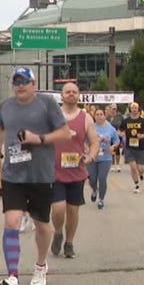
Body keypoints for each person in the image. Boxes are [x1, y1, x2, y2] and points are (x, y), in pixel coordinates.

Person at [0, 67, 70, 285]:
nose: (20, 86)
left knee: (43, 226)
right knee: (12, 221)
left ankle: (41, 264)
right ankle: (13, 277)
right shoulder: (6, 106)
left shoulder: (46, 104)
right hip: (13, 174)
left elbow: (65, 133)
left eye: (25, 81)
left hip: (40, 175)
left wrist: (40, 139)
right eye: (16, 82)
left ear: (33, 83)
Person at [50, 83, 99, 259]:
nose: (71, 94)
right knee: (58, 208)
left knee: (73, 210)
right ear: (61, 96)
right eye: (67, 92)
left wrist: (91, 157)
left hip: (76, 170)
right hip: (55, 170)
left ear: (79, 95)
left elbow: (94, 141)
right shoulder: (53, 116)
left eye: (74, 92)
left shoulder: (86, 118)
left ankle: (69, 242)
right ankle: (57, 231)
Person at [88, 108, 119, 209]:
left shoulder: (110, 128)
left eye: (101, 114)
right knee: (92, 179)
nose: (99, 116)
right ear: (94, 116)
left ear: (105, 116)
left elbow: (117, 141)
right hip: (93, 157)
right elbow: (84, 141)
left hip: (105, 157)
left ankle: (101, 199)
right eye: (97, 114)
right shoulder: (91, 127)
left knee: (102, 178)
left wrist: (112, 146)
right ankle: (94, 190)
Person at [119, 102, 144, 194]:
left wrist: (142, 136)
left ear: (138, 109)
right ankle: (136, 184)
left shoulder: (143, 121)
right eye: (132, 108)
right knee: (133, 167)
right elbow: (119, 131)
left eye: (136, 108)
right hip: (129, 147)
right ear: (130, 110)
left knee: (140, 168)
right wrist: (122, 134)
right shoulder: (126, 121)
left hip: (140, 147)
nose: (134, 109)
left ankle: (141, 175)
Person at [106, 104, 124, 172]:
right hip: (110, 135)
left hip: (118, 134)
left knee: (117, 149)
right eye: (112, 109)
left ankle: (118, 165)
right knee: (111, 149)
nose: (113, 110)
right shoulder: (108, 117)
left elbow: (123, 124)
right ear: (110, 109)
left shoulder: (119, 116)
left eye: (115, 109)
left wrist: (121, 131)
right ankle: (112, 164)